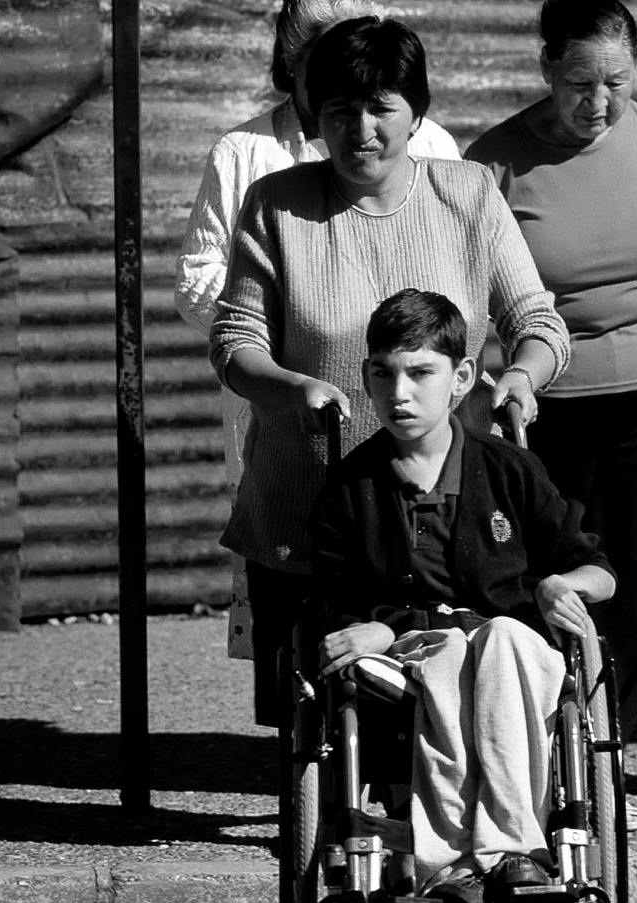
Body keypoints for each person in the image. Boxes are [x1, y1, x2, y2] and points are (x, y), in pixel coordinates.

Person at [210, 15, 568, 729]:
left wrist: (523, 378)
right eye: (341, 109)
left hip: (449, 517)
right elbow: (234, 339)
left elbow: (538, 321)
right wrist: (295, 387)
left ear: (416, 113)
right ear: (316, 115)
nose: (362, 128)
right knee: (319, 730)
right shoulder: (278, 206)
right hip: (311, 502)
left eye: (382, 108)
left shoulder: (467, 196)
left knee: (468, 708)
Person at [312, 288, 614, 903]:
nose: (401, 391)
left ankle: (506, 853)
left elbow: (595, 566)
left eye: (420, 372)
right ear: (366, 378)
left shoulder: (509, 469)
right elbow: (336, 605)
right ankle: (457, 864)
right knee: (449, 652)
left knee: (501, 639)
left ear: (462, 378)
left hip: (510, 645)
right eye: (385, 373)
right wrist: (380, 630)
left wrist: (566, 585)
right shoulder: (347, 491)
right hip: (409, 651)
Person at [176, 0, 459, 667]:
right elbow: (197, 279)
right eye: (327, 65)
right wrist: (293, 321)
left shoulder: (435, 148)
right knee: (296, 567)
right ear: (293, 64)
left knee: (416, 580)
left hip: (409, 401)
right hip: (289, 405)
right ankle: (307, 737)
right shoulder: (246, 155)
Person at [465, 0, 637, 780]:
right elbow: (471, 294)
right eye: (579, 83)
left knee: (636, 568)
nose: (598, 102)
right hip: (548, 400)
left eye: (616, 82)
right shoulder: (494, 160)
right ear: (545, 70)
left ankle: (607, 746)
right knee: (547, 569)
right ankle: (537, 734)